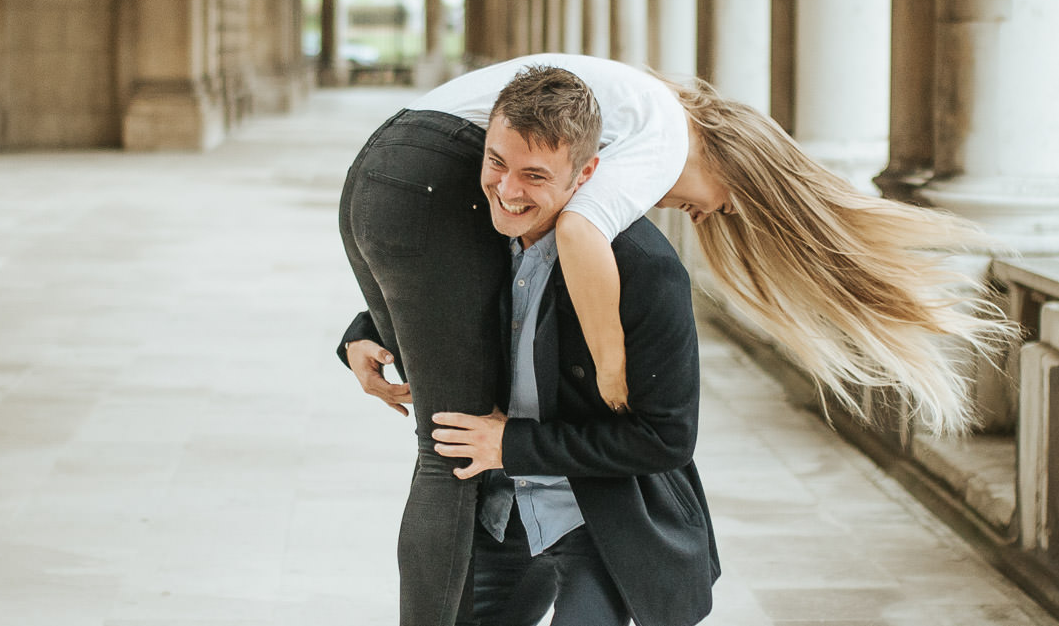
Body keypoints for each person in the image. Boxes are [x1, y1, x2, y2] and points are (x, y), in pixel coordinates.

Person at [337, 54, 1015, 625]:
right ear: (732, 164)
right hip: (423, 173)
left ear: (585, 169)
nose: (697, 211)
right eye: (717, 203)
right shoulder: (642, 153)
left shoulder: (608, 242)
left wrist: (373, 323)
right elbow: (554, 242)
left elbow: (466, 285)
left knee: (460, 457)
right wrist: (610, 364)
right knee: (446, 450)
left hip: (386, 171)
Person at [421, 82, 717, 625]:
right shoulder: (482, 232)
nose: (507, 190)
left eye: (535, 175)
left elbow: (666, 438)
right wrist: (365, 330)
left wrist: (511, 444)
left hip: (601, 523)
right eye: (497, 163)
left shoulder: (646, 268)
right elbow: (428, 292)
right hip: (499, 513)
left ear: (585, 175)